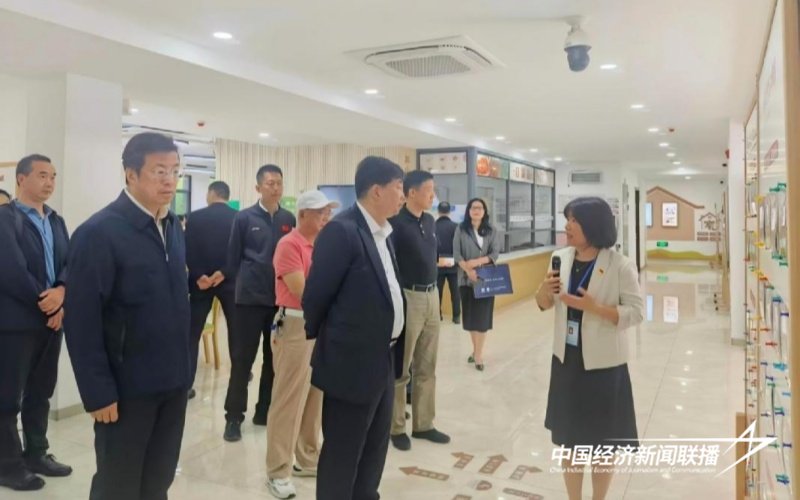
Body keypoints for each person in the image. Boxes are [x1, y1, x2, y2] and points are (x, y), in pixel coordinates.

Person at [64, 132, 192, 500]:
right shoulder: (99, 233)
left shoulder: (172, 227)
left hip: (173, 382)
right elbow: (81, 320)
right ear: (130, 174)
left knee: (158, 479)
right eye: (159, 171)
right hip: (126, 389)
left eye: (175, 171)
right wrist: (97, 392)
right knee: (118, 484)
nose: (169, 180)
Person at [303, 156, 406, 500]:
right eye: (398, 188)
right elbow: (316, 296)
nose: (402, 196)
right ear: (377, 191)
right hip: (351, 364)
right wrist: (338, 345)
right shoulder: (342, 231)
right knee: (344, 454)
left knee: (374, 450)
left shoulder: (385, 234)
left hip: (383, 358)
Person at [535, 197, 643, 500]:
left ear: (593, 225)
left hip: (604, 367)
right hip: (566, 361)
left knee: (602, 446)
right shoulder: (559, 258)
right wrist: (543, 291)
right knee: (569, 443)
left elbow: (636, 313)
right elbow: (544, 303)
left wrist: (595, 308)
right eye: (567, 219)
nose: (567, 226)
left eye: (574, 220)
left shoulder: (620, 265)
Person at [0, 155, 71, 491]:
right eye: (42, 175)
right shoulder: (5, 218)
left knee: (41, 392)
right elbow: (11, 270)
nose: (49, 182)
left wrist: (62, 292)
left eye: (53, 176)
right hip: (16, 323)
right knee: (7, 397)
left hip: (52, 322)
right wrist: (48, 302)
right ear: (21, 179)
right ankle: (7, 465)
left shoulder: (56, 220)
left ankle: (37, 453)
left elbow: (69, 262)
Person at [265, 190, 338, 499]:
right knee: (289, 400)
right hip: (295, 325)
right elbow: (304, 291)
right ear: (303, 214)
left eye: (328, 212)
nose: (326, 217)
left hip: (320, 325)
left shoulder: (322, 245)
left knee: (314, 398)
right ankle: (278, 471)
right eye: (320, 212)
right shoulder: (289, 245)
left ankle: (307, 459)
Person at [223, 164, 295, 441]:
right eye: (270, 183)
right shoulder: (244, 218)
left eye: (279, 183)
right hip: (249, 301)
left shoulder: (288, 218)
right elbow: (233, 259)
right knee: (243, 360)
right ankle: (233, 417)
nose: (275, 188)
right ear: (258, 187)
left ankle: (264, 410)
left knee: (273, 360)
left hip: (279, 301)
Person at [388, 170, 450, 451]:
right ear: (411, 192)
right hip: (408, 296)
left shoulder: (430, 221)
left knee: (427, 365)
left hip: (432, 295)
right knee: (401, 366)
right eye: (428, 190)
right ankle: (396, 426)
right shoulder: (395, 224)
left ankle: (424, 424)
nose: (433, 196)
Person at [184, 181, 238, 399]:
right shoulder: (238, 218)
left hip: (201, 284)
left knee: (192, 333)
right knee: (236, 331)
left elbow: (187, 249)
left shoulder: (195, 218)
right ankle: (241, 374)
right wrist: (224, 272)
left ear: (211, 193)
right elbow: (239, 252)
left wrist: (199, 275)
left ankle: (186, 384)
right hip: (230, 282)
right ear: (227, 196)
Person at [453, 198, 501, 371]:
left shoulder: (492, 230)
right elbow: (457, 254)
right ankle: (475, 351)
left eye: (480, 208)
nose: (476, 210)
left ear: (484, 211)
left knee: (482, 319)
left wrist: (477, 262)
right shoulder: (461, 229)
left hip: (485, 280)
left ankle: (478, 355)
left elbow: (495, 253)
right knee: (471, 319)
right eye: (473, 207)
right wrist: (468, 270)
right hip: (466, 281)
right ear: (468, 211)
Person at [435, 201, 460, 323]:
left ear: (438, 212)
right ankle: (456, 317)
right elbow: (459, 246)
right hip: (453, 265)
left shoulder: (432, 226)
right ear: (450, 212)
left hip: (437, 264)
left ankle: (438, 315)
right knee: (455, 292)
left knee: (437, 292)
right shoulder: (456, 226)